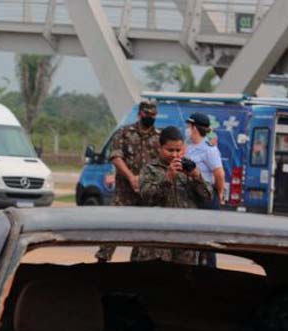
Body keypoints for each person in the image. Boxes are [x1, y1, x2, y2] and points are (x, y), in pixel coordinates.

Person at [136, 125, 212, 265]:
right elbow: (148, 196)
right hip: (158, 239)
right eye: (170, 150)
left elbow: (207, 196)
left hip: (185, 238)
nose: (175, 155)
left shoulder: (188, 168)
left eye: (178, 150)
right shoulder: (149, 169)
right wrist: (168, 178)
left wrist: (197, 176)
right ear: (160, 148)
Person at [97, 100, 160, 262]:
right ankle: (102, 260)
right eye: (147, 114)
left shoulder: (159, 137)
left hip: (146, 193)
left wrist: (146, 180)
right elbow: (116, 157)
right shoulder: (124, 133)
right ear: (140, 114)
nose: (150, 117)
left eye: (153, 115)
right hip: (124, 192)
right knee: (114, 228)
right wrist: (131, 177)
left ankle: (136, 264)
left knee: (143, 232)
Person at [184, 112, 226, 207]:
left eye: (188, 126)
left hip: (205, 196)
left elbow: (219, 174)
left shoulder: (209, 150)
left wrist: (220, 193)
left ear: (194, 128)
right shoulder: (190, 147)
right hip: (191, 195)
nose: (187, 129)